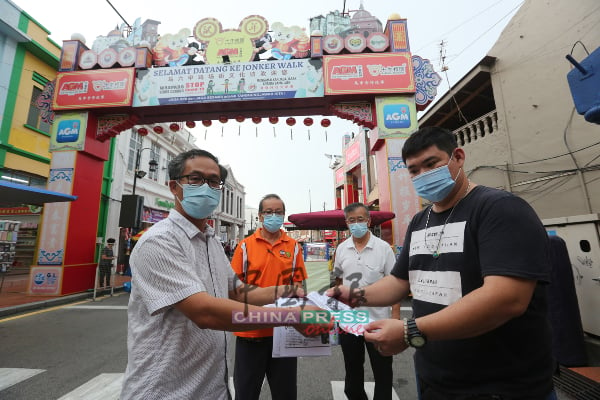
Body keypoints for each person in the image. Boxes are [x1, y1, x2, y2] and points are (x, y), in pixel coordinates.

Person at [327, 126, 557, 400]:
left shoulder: (499, 209)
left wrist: (409, 330)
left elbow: (507, 297)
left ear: (458, 157)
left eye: (431, 164)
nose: (423, 175)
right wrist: (352, 296)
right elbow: (400, 282)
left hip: (502, 386)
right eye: (414, 170)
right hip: (435, 379)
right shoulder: (419, 220)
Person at [121, 149, 330, 400]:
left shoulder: (211, 241)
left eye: (213, 182)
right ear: (174, 187)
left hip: (211, 387)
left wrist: (287, 290)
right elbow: (204, 312)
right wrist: (290, 316)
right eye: (195, 179)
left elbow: (239, 291)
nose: (206, 187)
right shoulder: (160, 241)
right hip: (166, 391)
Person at [230, 194, 307, 400]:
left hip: (283, 332)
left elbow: (300, 284)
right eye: (269, 212)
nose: (274, 216)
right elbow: (233, 289)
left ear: (284, 215)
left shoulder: (294, 247)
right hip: (250, 332)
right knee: (246, 393)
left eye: (278, 212)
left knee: (285, 394)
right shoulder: (245, 246)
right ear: (260, 216)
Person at [332, 202, 400, 400]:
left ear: (369, 221)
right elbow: (337, 279)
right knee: (352, 369)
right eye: (351, 220)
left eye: (360, 219)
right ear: (346, 223)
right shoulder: (342, 249)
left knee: (383, 369)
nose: (356, 224)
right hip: (349, 321)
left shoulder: (384, 249)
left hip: (378, 321)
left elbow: (395, 283)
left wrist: (395, 317)